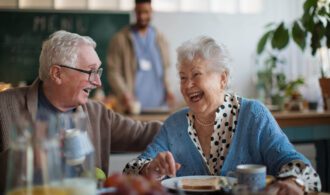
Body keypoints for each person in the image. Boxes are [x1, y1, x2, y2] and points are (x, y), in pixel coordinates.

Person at [123, 36, 322, 194]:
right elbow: (131, 171)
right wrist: (151, 169)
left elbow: (297, 165)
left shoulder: (253, 115)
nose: (187, 85)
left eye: (196, 75)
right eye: (183, 78)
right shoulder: (175, 124)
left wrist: (294, 182)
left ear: (222, 78)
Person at [0, 30, 161, 193]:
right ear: (57, 73)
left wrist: (186, 120)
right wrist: (24, 156)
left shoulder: (97, 113)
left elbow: (144, 133)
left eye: (98, 72)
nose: (98, 82)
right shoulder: (4, 106)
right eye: (91, 72)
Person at [107, 0, 175, 113]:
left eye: (146, 12)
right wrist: (124, 93)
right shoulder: (120, 40)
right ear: (134, 12)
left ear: (152, 11)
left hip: (160, 107)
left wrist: (169, 90)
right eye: (139, 12)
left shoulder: (161, 39)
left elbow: (167, 67)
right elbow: (113, 72)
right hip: (132, 108)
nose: (142, 16)